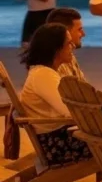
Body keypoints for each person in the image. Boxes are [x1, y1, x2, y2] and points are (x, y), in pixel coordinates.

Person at [17, 23, 93, 166]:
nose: (73, 47)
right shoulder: (43, 75)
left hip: (58, 138)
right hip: (58, 144)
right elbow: (69, 112)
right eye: (68, 44)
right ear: (55, 49)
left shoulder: (45, 73)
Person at [46, 7, 87, 80]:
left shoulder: (69, 56)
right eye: (79, 30)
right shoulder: (50, 65)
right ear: (66, 32)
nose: (83, 34)